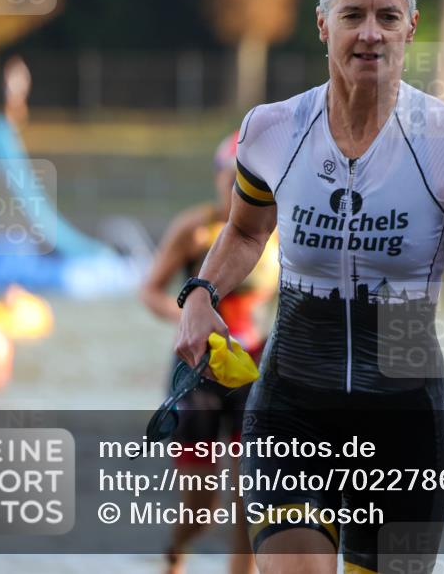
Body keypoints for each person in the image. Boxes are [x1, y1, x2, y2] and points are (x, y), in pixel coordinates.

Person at [174, 0, 444, 574]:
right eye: (353, 15)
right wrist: (201, 295)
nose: (370, 33)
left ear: (411, 27)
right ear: (323, 24)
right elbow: (247, 231)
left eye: (387, 16)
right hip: (292, 407)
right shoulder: (272, 130)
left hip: (403, 419)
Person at [142, 131, 279, 574]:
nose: (238, 189)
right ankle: (176, 550)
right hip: (196, 370)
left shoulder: (278, 234)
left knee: (250, 497)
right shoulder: (195, 228)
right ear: (219, 178)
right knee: (202, 506)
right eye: (231, 178)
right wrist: (188, 320)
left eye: (250, 181)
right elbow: (150, 290)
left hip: (252, 370)